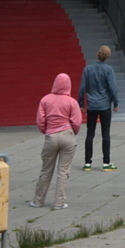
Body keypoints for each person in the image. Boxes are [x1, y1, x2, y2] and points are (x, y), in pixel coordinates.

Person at [31, 73, 82, 210]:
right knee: (63, 171)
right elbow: (77, 122)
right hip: (67, 135)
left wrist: (46, 131)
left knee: (46, 170)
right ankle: (59, 202)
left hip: (51, 136)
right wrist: (72, 132)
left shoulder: (45, 100)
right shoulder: (72, 102)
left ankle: (38, 201)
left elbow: (40, 121)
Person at [78, 45, 120, 172]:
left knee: (90, 134)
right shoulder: (108, 69)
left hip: (91, 105)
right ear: (107, 57)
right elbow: (112, 87)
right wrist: (115, 102)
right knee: (105, 134)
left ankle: (87, 162)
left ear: (97, 54)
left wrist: (81, 104)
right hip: (105, 105)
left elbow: (82, 88)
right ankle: (106, 162)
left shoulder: (88, 69)